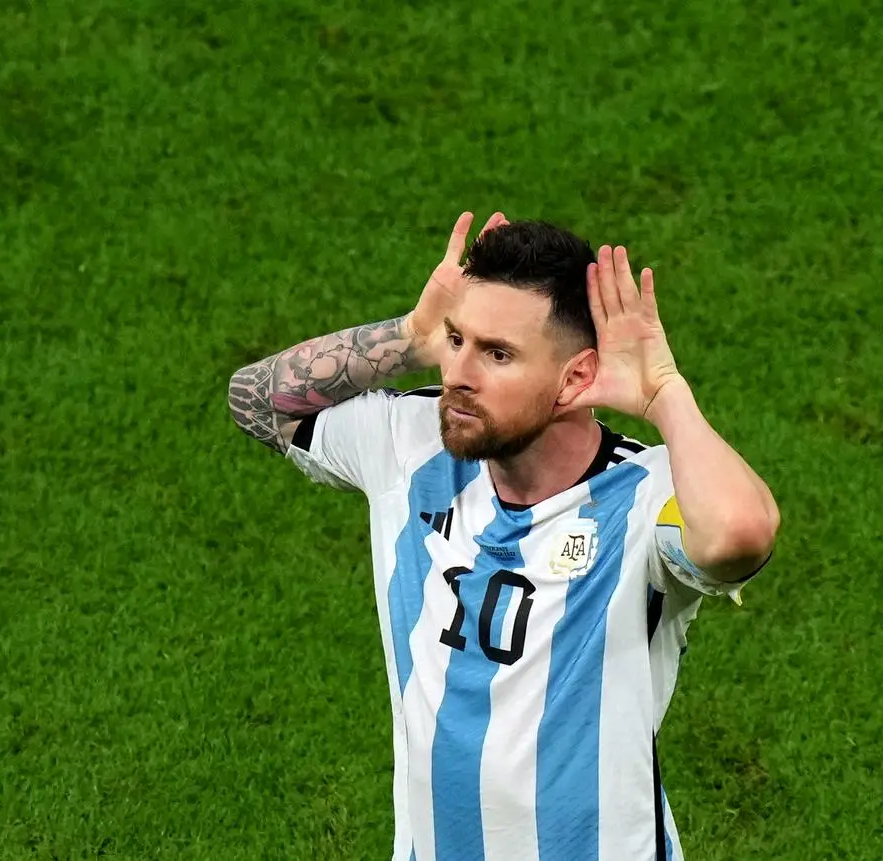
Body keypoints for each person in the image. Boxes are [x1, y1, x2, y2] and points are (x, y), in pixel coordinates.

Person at [226, 212, 780, 861]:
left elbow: (740, 533)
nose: (459, 371)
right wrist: (409, 336)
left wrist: (663, 393)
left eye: (497, 353)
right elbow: (254, 400)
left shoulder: (644, 496)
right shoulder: (410, 446)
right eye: (458, 339)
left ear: (575, 378)